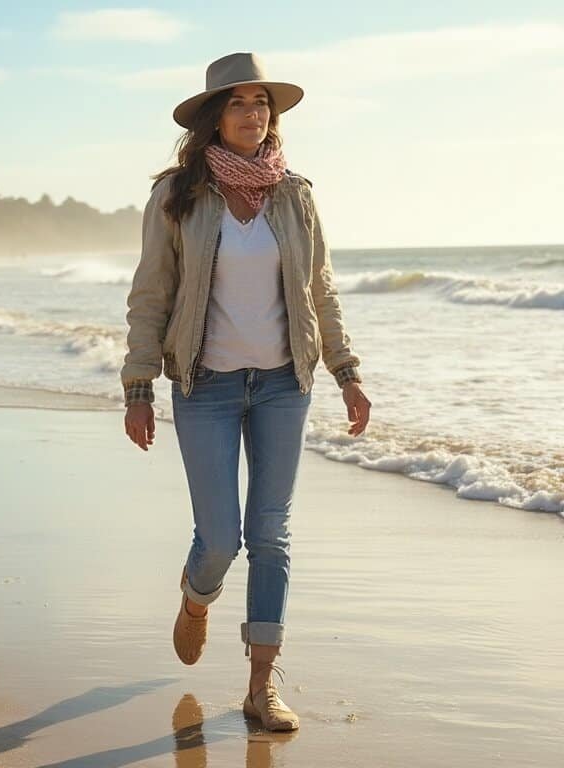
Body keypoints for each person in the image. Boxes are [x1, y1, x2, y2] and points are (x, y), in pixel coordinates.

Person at [121, 52, 371, 732]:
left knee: (271, 534)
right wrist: (138, 384)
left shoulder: (296, 195)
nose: (255, 113)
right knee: (219, 541)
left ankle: (261, 685)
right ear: (213, 118)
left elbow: (321, 290)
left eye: (263, 102)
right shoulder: (179, 196)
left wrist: (347, 372)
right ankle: (197, 597)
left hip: (285, 385)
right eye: (239, 103)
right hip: (206, 386)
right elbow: (151, 296)